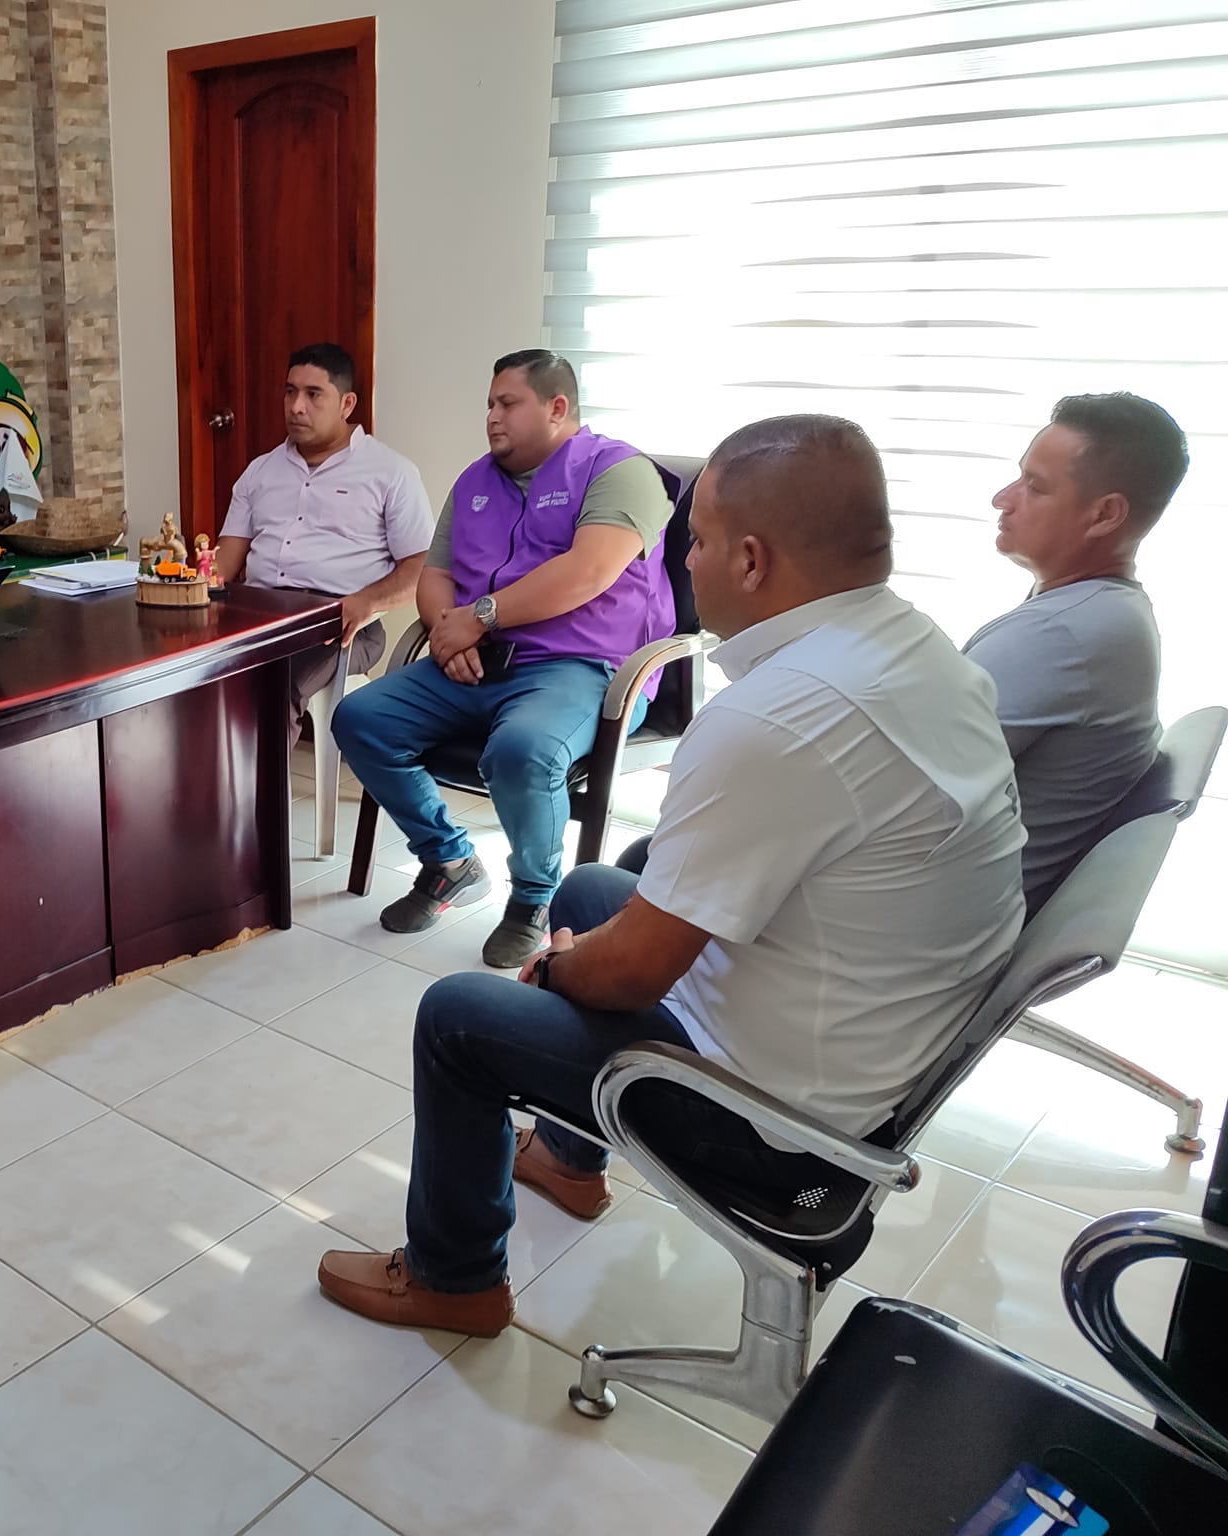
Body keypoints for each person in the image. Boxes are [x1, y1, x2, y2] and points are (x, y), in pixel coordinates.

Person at [315, 415, 1025, 1337]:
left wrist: (556, 970)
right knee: (590, 890)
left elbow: (631, 973)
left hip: (784, 1125)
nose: (683, 561)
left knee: (459, 1016)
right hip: (866, 1040)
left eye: (698, 540)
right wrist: (585, 949)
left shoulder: (782, 715)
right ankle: (568, 1160)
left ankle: (455, 1283)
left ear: (754, 560)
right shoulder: (917, 647)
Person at [330, 350, 676, 969]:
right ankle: (449, 860)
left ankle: (535, 898)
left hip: (583, 667)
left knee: (522, 751)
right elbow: (435, 575)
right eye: (489, 403)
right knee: (361, 719)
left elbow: (588, 572)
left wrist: (479, 618)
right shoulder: (474, 481)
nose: (492, 416)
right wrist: (449, 633)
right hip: (478, 661)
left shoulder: (620, 471)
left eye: (507, 403)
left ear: (557, 407)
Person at [965, 393, 1187, 913]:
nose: (1002, 499)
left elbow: (892, 785)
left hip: (940, 931)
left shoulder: (1060, 636)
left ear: (1105, 514)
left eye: (1034, 486)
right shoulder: (1108, 613)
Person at [212, 343, 434, 732]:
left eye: (313, 394)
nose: (296, 406)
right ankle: (207, 772)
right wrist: (179, 583)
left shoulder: (390, 473)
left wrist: (367, 601)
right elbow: (223, 563)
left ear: (347, 404)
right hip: (258, 615)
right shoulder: (260, 471)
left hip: (340, 624)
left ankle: (259, 776)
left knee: (270, 687)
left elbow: (422, 569)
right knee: (186, 674)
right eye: (290, 392)